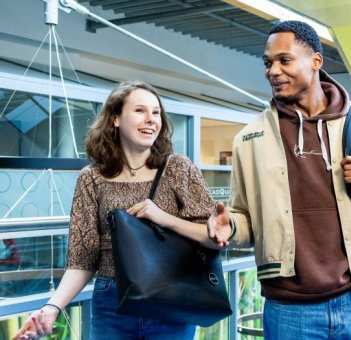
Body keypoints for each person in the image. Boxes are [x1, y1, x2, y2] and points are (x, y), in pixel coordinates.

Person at [209, 21, 351, 339]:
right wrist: (229, 226)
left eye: (284, 60)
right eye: (268, 62)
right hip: (288, 309)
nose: (273, 70)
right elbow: (245, 220)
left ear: (316, 61)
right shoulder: (251, 139)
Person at [14, 81, 232, 340]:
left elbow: (213, 238)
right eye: (140, 111)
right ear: (115, 119)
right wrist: (51, 308)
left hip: (171, 298)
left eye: (156, 112)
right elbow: (83, 261)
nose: (151, 120)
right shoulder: (92, 178)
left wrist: (162, 217)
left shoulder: (178, 168)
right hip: (111, 302)